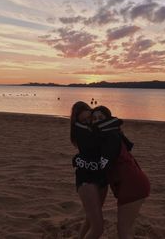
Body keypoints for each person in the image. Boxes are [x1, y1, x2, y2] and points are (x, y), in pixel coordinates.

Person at [74, 105, 151, 239]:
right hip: (129, 184)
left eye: (101, 118)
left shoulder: (110, 136)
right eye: (94, 118)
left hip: (132, 186)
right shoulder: (109, 134)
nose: (97, 121)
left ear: (107, 119)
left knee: (123, 232)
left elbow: (103, 162)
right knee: (126, 229)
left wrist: (80, 161)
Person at [70, 101, 108, 239]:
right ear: (78, 121)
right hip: (87, 180)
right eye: (84, 120)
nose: (88, 122)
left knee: (90, 217)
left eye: (89, 118)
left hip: (102, 178)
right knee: (98, 228)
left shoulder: (98, 126)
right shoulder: (81, 132)